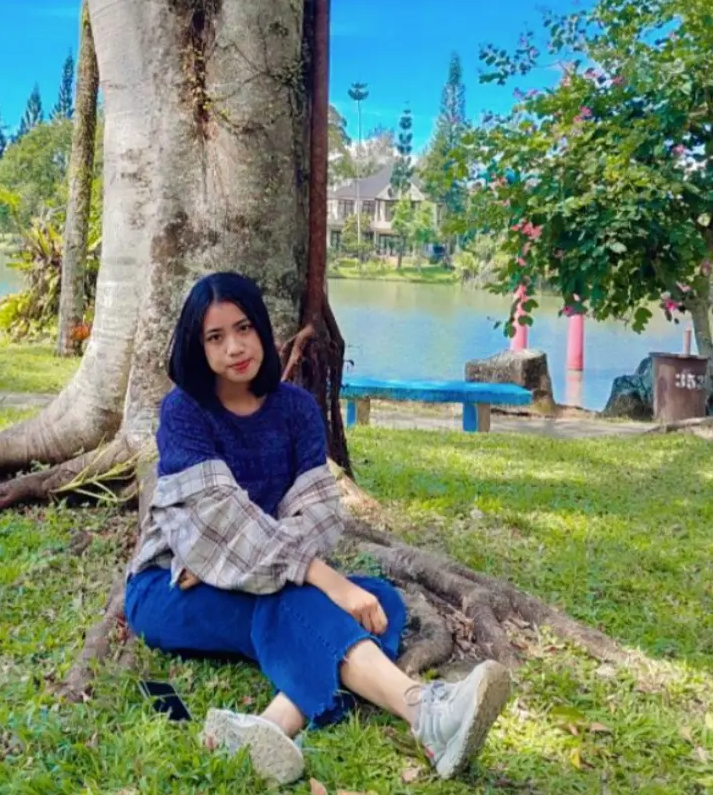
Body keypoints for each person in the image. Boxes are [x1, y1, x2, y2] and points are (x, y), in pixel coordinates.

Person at [125, 271, 512, 785]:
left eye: (243, 328)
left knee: (380, 601)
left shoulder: (296, 410)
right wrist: (312, 573)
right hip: (169, 586)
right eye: (215, 338)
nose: (234, 348)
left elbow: (319, 516)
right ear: (198, 348)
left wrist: (234, 558)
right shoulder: (185, 413)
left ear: (262, 328)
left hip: (245, 577)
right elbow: (218, 520)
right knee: (301, 600)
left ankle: (275, 723)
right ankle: (426, 713)